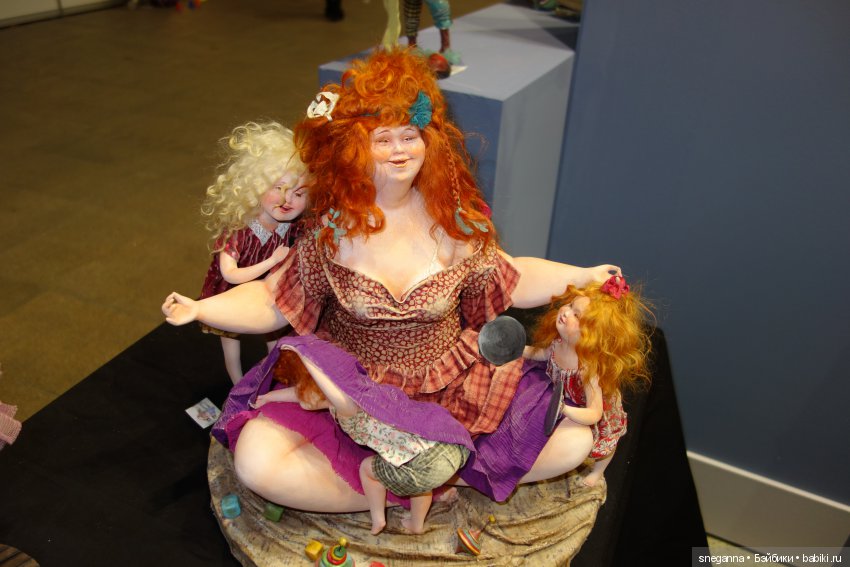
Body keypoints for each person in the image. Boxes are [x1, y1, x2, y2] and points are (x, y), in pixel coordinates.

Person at [162, 48, 620, 513]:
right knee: (257, 464)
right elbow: (271, 300)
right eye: (383, 139)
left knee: (572, 445)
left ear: (428, 140)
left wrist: (581, 275)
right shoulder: (330, 231)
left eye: (410, 136)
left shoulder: (454, 221)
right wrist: (201, 309)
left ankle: (426, 475)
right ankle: (420, 481)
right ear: (356, 147)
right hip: (356, 394)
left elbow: (513, 277)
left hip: (453, 387)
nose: (400, 151)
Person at [252, 339, 473, 534]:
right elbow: (301, 396)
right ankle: (416, 524)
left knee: (367, 470)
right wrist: (269, 397)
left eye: (303, 388)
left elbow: (320, 389)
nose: (300, 394)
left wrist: (306, 356)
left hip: (427, 463)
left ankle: (378, 519)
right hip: (446, 451)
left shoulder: (347, 405)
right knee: (421, 488)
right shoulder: (350, 391)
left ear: (322, 387)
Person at [198, 121, 309, 384]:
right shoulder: (239, 231)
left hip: (269, 295)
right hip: (230, 294)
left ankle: (274, 379)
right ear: (256, 187)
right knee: (231, 348)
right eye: (278, 188)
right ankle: (238, 386)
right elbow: (230, 274)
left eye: (299, 193)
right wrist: (271, 261)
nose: (287, 200)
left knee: (275, 339)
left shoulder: (292, 228)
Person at [524, 275, 652, 486]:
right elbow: (543, 354)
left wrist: (564, 410)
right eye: (570, 305)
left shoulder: (587, 370)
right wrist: (517, 349)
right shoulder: (559, 343)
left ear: (592, 335)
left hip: (587, 408)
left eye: (576, 315)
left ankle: (598, 472)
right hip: (564, 398)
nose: (565, 312)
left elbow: (594, 413)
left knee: (604, 446)